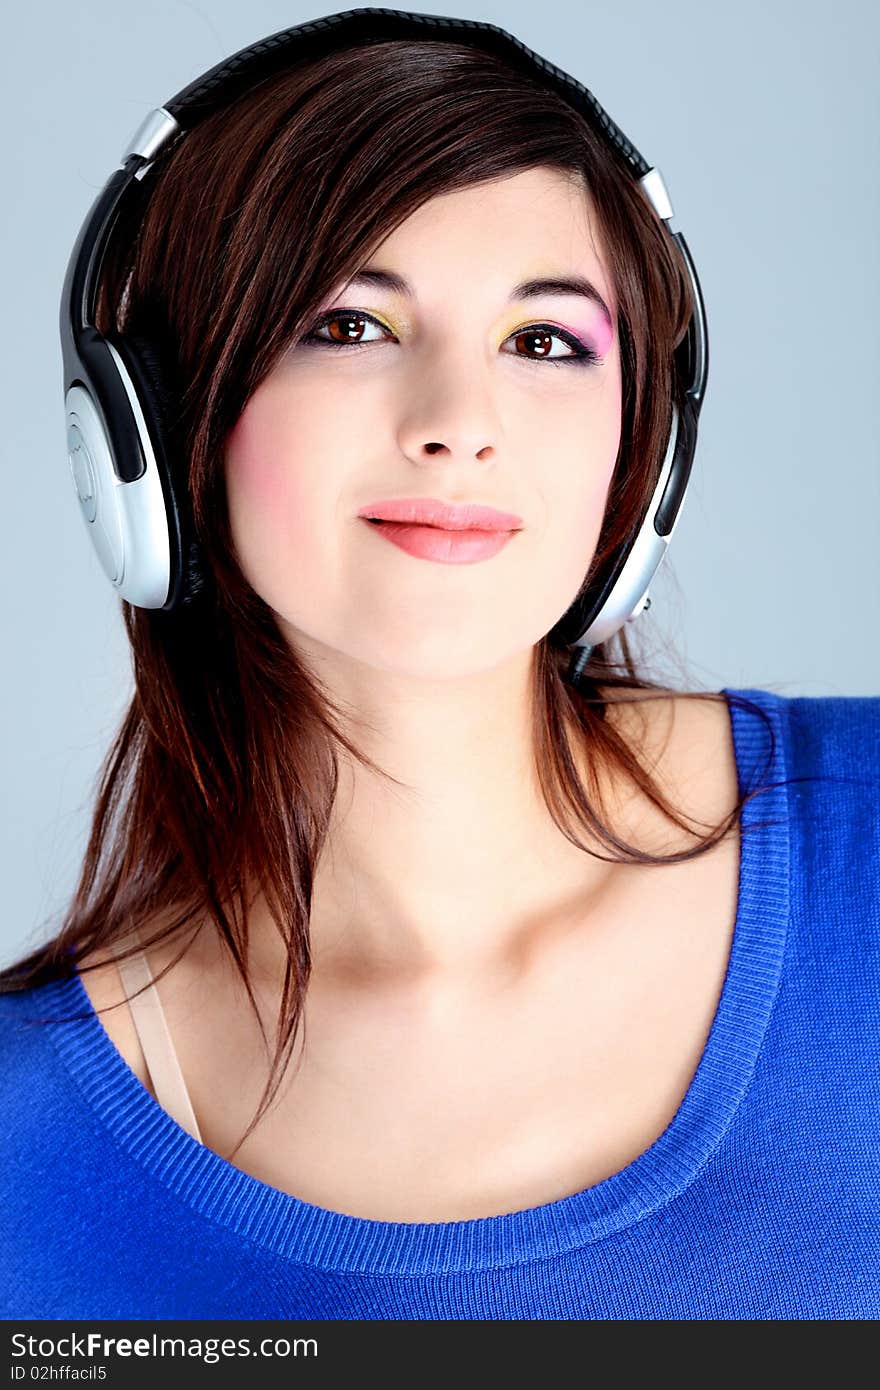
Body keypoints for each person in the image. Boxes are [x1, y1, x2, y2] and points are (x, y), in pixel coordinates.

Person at [1, 10, 878, 1322]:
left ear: (644, 456)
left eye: (543, 343)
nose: (458, 425)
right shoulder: (30, 1152)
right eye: (349, 327)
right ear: (156, 427)